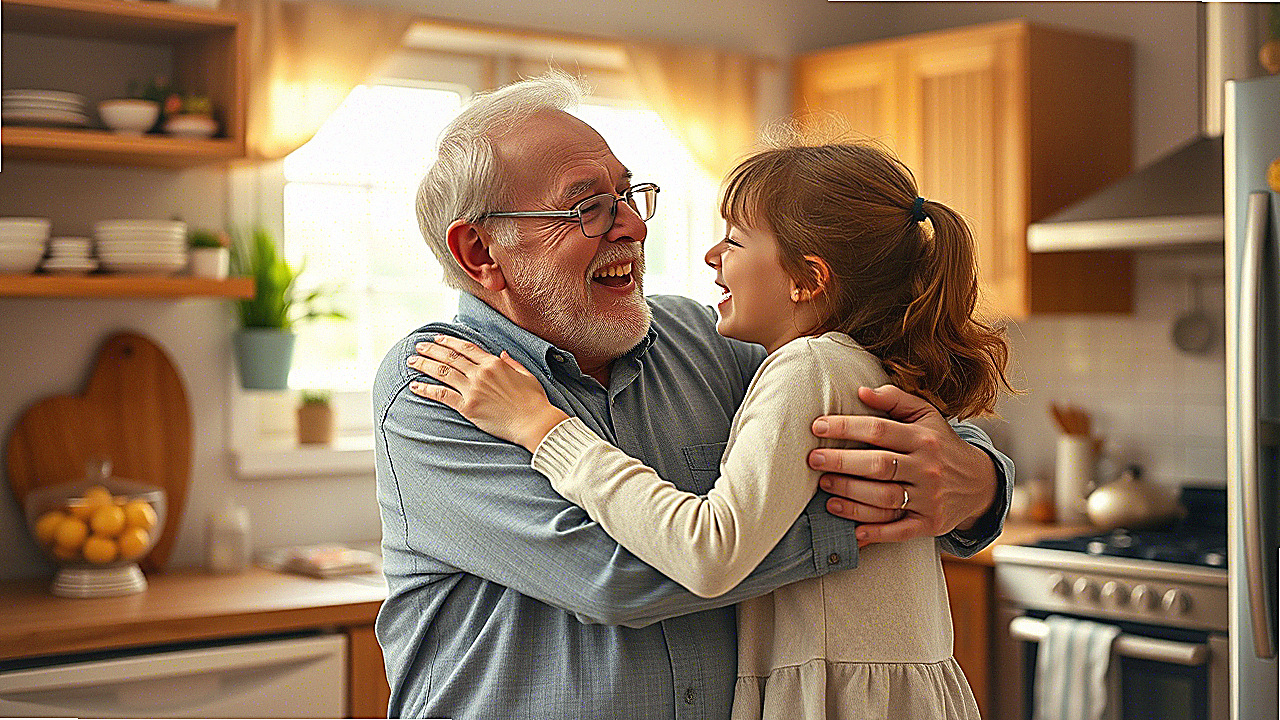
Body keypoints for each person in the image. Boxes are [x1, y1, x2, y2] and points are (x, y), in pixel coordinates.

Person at [374, 73, 1014, 719]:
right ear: (480, 250)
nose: (631, 225)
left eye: (626, 194)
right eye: (587, 206)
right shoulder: (441, 384)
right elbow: (616, 578)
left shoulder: (709, 341)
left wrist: (977, 481)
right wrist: (875, 521)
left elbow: (885, 399)